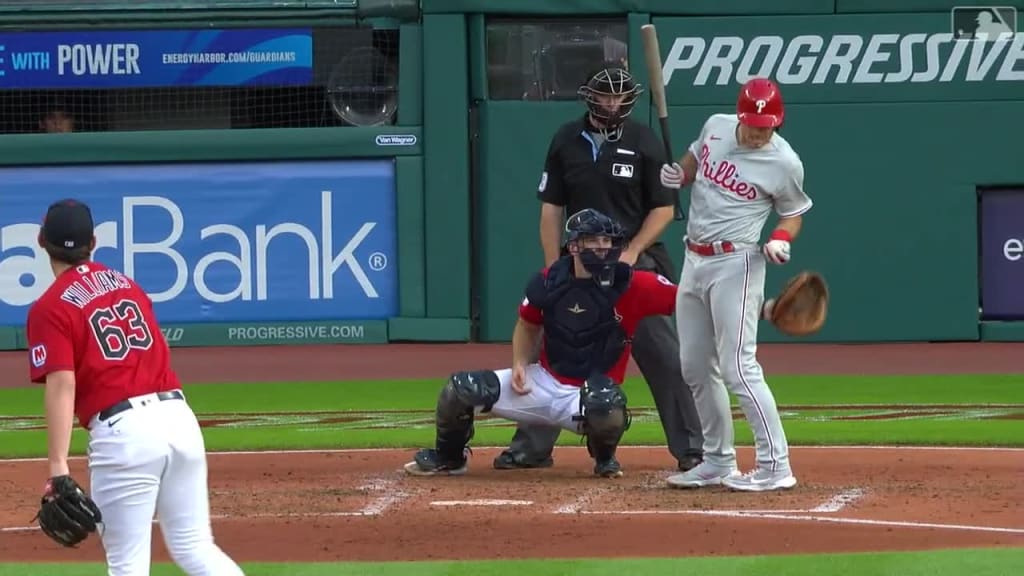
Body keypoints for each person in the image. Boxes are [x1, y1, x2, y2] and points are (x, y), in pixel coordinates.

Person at [493, 62, 705, 473]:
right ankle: (531, 446)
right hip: (578, 258)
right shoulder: (565, 141)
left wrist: (631, 253)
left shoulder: (644, 141)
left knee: (663, 353)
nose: (613, 103)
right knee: (551, 347)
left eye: (620, 97)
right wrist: (554, 264)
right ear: (590, 97)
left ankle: (692, 448)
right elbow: (552, 208)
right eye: (606, 95)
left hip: (632, 255)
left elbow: (663, 210)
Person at [25, 199, 244, 575]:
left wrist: (58, 467)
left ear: (41, 240)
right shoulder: (128, 286)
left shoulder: (50, 307)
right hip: (179, 418)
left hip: (125, 434)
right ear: (93, 242)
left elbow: (62, 384)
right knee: (196, 548)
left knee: (127, 566)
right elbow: (161, 348)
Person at [404, 209, 685, 478]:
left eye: (607, 241)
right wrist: (519, 363)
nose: (602, 247)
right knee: (461, 388)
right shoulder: (549, 281)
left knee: (607, 404)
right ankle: (449, 459)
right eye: (593, 240)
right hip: (543, 383)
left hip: (586, 397)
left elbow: (685, 299)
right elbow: (527, 325)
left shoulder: (634, 284)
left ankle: (604, 458)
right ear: (574, 246)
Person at [659, 77, 812, 492]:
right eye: (756, 124)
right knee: (692, 365)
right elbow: (694, 158)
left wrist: (780, 238)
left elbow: (793, 212)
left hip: (737, 262)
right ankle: (717, 461)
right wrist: (679, 174)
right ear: (741, 116)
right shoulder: (716, 126)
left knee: (738, 368)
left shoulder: (784, 161)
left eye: (769, 125)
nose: (762, 132)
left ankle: (775, 464)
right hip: (693, 257)